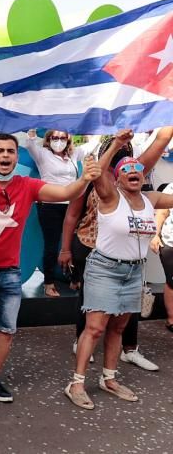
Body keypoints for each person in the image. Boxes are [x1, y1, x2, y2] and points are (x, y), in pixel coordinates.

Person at [0, 133, 100, 414]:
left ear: (16, 156)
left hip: (10, 272)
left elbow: (65, 194)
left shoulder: (28, 185)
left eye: (10, 151)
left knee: (6, 330)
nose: (5, 156)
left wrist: (85, 179)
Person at [65, 129, 173, 409]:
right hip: (104, 268)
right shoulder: (110, 196)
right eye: (127, 170)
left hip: (134, 272)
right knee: (95, 328)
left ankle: (109, 378)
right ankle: (76, 383)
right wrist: (116, 145)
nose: (134, 171)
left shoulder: (152, 199)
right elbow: (98, 174)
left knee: (119, 327)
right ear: (119, 179)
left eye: (138, 168)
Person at [26, 129, 99, 296]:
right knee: (51, 245)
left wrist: (94, 128)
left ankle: (75, 279)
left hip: (72, 205)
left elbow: (92, 145)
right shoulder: (42, 154)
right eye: (55, 137)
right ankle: (49, 283)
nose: (59, 140)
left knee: (76, 244)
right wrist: (32, 129)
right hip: (49, 205)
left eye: (63, 138)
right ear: (49, 139)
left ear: (68, 139)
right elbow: (30, 144)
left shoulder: (74, 155)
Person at [152, 183, 173, 332]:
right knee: (172, 281)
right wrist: (154, 235)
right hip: (171, 240)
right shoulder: (171, 187)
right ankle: (172, 319)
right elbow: (161, 212)